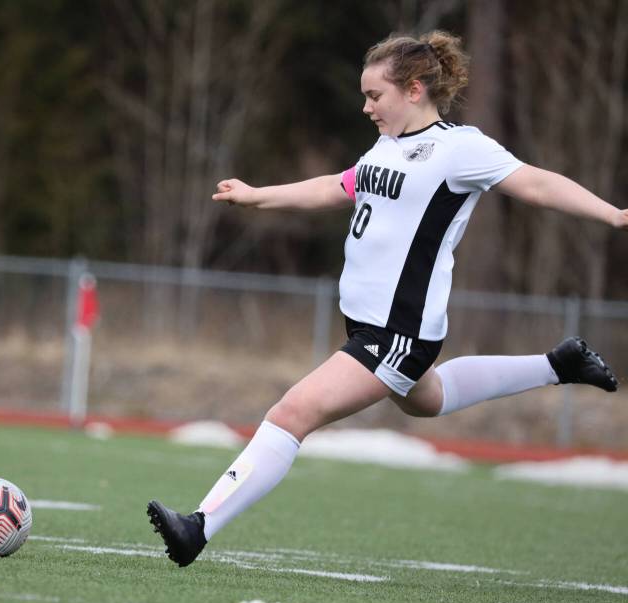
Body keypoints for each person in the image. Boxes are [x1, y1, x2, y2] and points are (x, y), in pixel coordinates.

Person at [146, 30, 623, 568]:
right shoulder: (387, 145)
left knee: (292, 411)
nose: (366, 106)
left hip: (398, 331)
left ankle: (200, 526)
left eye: (375, 95)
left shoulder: (460, 148)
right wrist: (260, 196)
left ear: (414, 89)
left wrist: (614, 214)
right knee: (430, 399)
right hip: (370, 325)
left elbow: (536, 183)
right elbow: (339, 185)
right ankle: (558, 364)